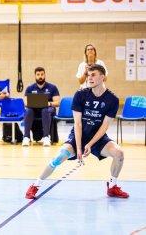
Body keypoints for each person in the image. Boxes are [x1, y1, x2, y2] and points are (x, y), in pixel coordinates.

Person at [25, 64, 129, 199]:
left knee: (119, 153)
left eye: (93, 75)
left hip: (98, 138)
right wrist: (79, 148)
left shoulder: (112, 100)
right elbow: (78, 123)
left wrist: (90, 144)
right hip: (77, 137)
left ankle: (112, 186)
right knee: (58, 158)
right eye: (88, 75)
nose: (89, 78)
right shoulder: (81, 95)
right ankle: (35, 185)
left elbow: (105, 126)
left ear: (102, 77)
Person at [22, 67, 60, 147]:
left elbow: (57, 102)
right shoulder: (30, 88)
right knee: (28, 110)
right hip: (34, 109)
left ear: (44, 75)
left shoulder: (52, 87)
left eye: (42, 74)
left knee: (45, 110)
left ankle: (46, 137)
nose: (40, 76)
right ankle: (26, 137)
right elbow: (25, 103)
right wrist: (35, 103)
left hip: (48, 109)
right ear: (35, 76)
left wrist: (48, 103)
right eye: (38, 74)